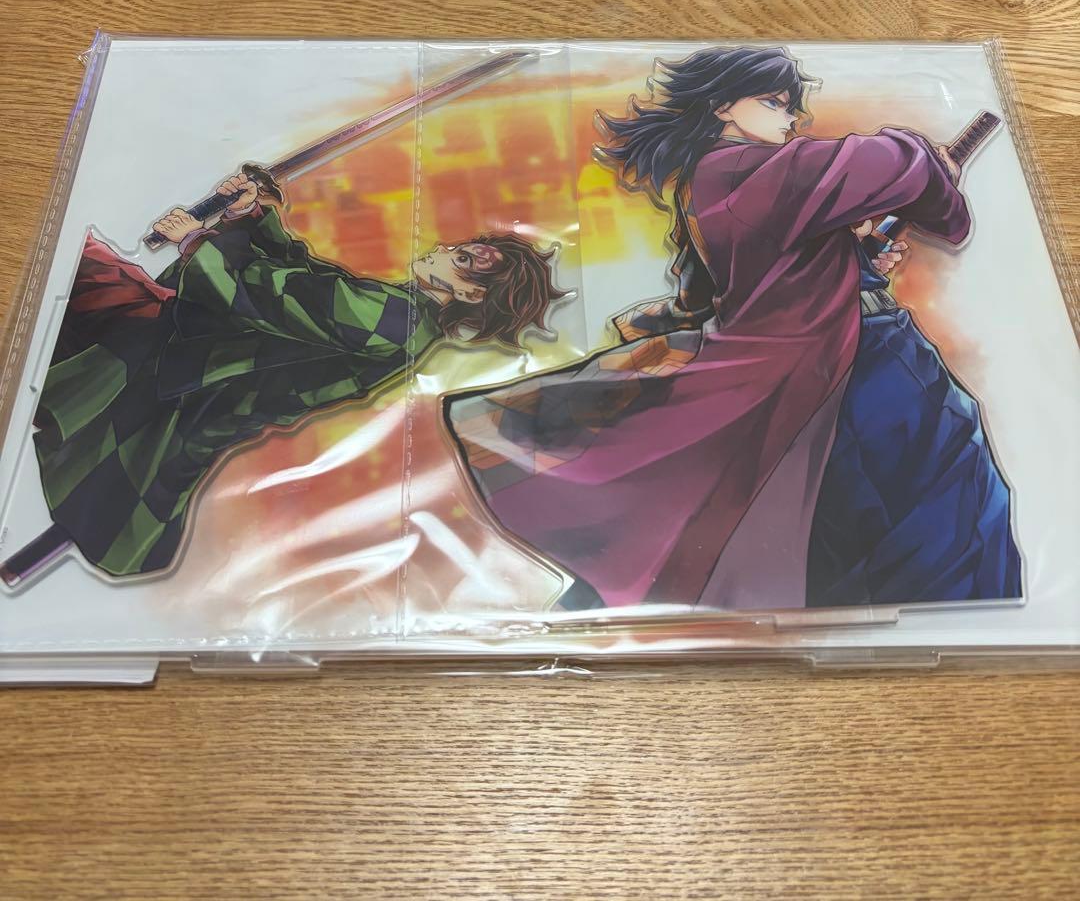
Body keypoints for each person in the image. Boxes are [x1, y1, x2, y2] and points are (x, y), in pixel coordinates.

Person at [443, 46, 1021, 611]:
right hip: (860, 367)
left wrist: (859, 260)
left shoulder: (723, 185)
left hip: (854, 360)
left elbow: (765, 278)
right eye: (773, 103)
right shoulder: (736, 170)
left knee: (887, 514)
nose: (791, 120)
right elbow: (886, 163)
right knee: (936, 501)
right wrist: (928, 162)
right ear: (723, 105)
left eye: (791, 107)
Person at [2, 174, 565, 586]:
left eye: (461, 260)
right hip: (186, 370)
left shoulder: (396, 322)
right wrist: (254, 215)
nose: (443, 249)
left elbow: (263, 294)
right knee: (102, 464)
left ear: (469, 294)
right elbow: (307, 278)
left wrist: (197, 239)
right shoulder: (400, 315)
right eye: (459, 249)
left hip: (186, 384)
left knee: (76, 272)